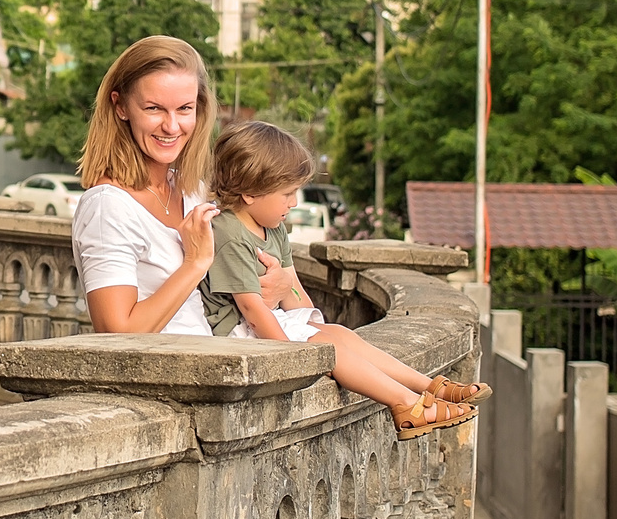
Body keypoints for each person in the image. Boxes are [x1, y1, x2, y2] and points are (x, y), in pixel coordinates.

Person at [201, 119, 483, 440]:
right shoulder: (228, 232)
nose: (294, 203)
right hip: (238, 333)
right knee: (330, 346)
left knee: (339, 333)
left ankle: (429, 386)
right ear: (250, 192)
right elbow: (252, 310)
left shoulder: (273, 226)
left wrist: (308, 320)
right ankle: (406, 404)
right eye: (287, 193)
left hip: (268, 323)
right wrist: (291, 360)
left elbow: (295, 295)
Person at [69, 35, 223, 337]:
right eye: (154, 108)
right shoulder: (107, 206)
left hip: (214, 357)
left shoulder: (193, 191)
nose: (171, 126)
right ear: (121, 106)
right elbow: (117, 332)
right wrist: (194, 263)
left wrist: (282, 284)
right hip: (163, 367)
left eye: (184, 109)